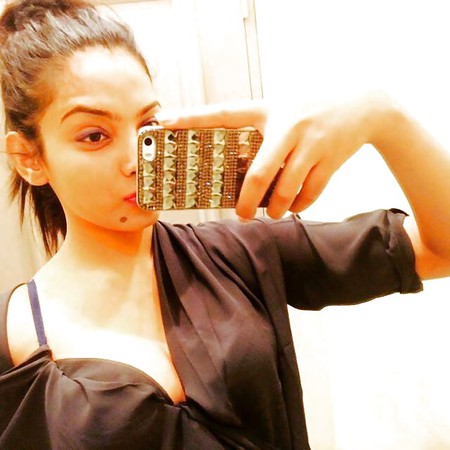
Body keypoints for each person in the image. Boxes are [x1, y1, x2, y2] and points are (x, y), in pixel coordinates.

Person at [0, 1, 448, 449]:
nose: (137, 160)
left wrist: (383, 116)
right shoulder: (17, 334)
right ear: (29, 158)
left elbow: (440, 250)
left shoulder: (239, 253)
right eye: (94, 136)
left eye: (148, 126)